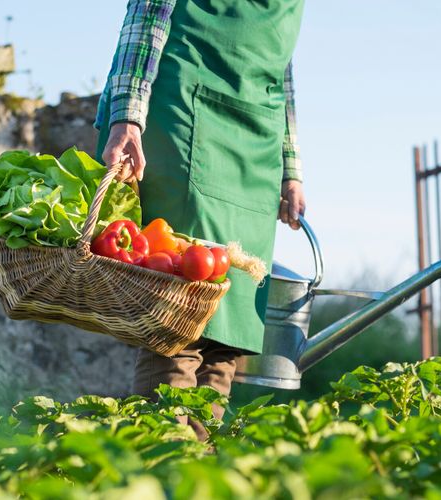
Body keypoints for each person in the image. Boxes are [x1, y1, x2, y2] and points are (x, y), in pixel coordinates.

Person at [94, 0, 306, 440]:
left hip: (257, 136)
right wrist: (128, 116)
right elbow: (148, 12)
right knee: (178, 322)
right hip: (187, 109)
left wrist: (290, 165)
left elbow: (281, 62)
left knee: (228, 338)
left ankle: (199, 474)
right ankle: (162, 467)